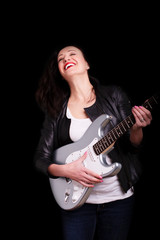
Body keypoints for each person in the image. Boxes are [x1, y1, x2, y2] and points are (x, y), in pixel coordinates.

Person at [34, 44, 152, 240]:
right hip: (75, 201)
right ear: (60, 72)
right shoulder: (57, 110)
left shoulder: (113, 95)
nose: (66, 59)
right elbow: (40, 158)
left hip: (118, 199)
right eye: (60, 59)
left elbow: (132, 146)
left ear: (86, 63)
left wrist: (137, 128)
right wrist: (65, 170)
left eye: (72, 54)